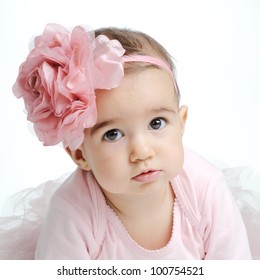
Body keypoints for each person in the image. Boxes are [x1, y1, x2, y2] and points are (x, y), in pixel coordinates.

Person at [0, 23, 254, 259]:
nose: (142, 152)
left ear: (181, 123)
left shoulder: (205, 189)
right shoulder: (72, 214)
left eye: (157, 123)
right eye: (113, 134)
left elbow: (233, 266)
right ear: (80, 155)